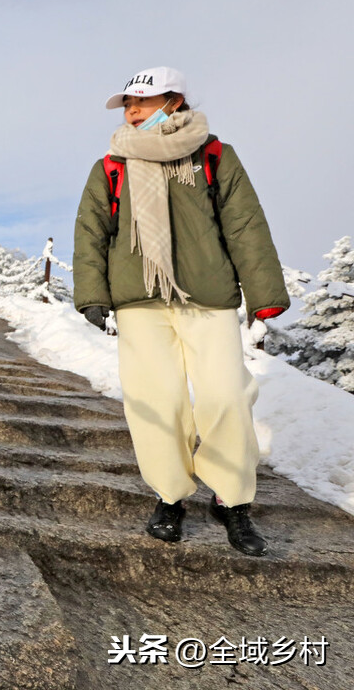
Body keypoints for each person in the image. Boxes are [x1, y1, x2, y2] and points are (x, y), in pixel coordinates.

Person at [73, 66, 289, 557]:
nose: (131, 110)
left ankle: (231, 501)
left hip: (206, 296)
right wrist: (92, 293)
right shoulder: (112, 164)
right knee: (156, 401)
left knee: (225, 398)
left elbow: (245, 225)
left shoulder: (213, 155)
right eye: (127, 103)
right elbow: (91, 232)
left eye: (142, 101)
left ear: (174, 100)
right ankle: (169, 495)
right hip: (139, 300)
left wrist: (264, 292)